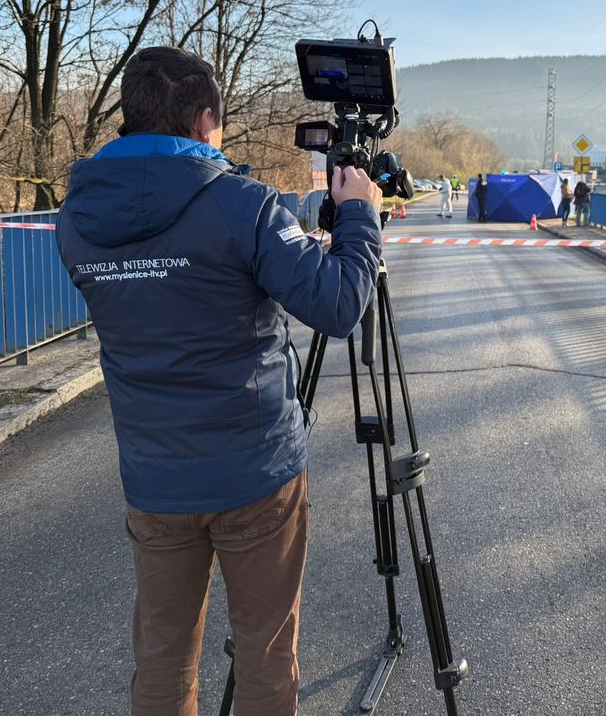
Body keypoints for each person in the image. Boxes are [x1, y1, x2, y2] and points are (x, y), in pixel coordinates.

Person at [56, 46, 383, 716]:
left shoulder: (77, 218)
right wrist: (359, 215)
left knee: (163, 657)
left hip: (155, 478)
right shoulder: (243, 205)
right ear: (206, 121)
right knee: (264, 654)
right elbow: (339, 304)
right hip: (255, 473)